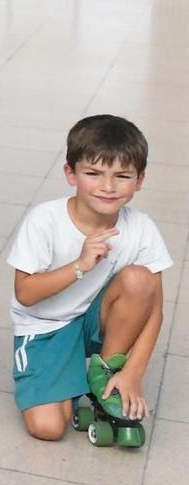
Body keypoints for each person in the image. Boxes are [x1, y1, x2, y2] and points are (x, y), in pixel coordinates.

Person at [10, 115, 170, 443]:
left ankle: (105, 377)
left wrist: (133, 374)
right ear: (71, 173)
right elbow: (25, 293)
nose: (108, 187)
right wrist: (80, 265)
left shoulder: (142, 228)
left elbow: (154, 310)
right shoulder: (45, 220)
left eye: (122, 176)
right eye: (93, 174)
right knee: (48, 428)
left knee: (141, 281)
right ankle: (61, 380)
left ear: (139, 180)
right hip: (46, 328)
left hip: (96, 322)